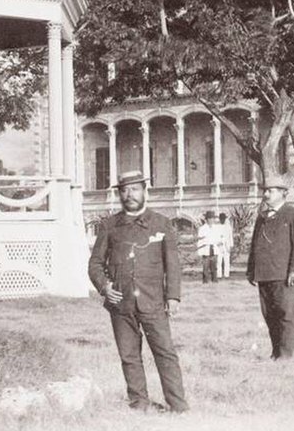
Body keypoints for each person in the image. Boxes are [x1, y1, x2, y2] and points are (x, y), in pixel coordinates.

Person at [87, 171, 188, 413]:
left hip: (153, 302)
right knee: (129, 356)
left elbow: (172, 264)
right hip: (120, 303)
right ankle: (138, 403)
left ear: (145, 191)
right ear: (119, 194)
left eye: (134, 189)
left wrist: (172, 296)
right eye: (124, 190)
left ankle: (178, 406)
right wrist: (105, 287)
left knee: (165, 353)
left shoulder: (161, 223)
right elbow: (95, 264)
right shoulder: (109, 226)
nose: (129, 194)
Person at [246, 178, 294, 360]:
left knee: (286, 313)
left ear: (283, 193)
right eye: (265, 191)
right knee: (269, 314)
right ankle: (276, 352)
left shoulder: (293, 214)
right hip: (264, 274)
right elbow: (255, 244)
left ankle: (286, 354)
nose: (265, 194)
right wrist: (251, 269)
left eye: (270, 191)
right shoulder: (263, 216)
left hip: (284, 275)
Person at [196, 211, 220, 284]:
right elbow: (200, 240)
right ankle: (205, 281)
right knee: (205, 267)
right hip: (205, 249)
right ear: (206, 219)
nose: (211, 220)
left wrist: (218, 242)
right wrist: (200, 250)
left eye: (212, 218)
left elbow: (219, 238)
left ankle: (214, 280)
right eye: (209, 218)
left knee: (214, 266)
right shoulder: (202, 229)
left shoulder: (216, 228)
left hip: (214, 248)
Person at [215, 211, 234, 279]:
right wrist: (217, 242)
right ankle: (219, 274)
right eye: (221, 219)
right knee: (219, 261)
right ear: (219, 219)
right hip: (219, 245)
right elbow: (215, 236)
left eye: (223, 219)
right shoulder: (217, 227)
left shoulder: (228, 227)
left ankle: (226, 274)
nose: (222, 220)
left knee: (227, 260)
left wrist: (231, 246)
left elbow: (230, 237)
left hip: (226, 245)